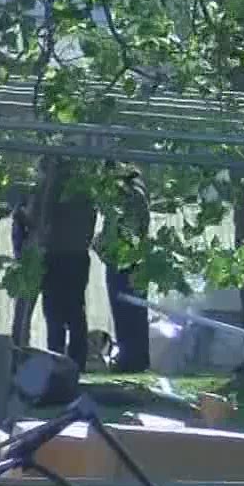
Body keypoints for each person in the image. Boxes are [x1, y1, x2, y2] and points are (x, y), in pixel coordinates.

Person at [35, 154, 98, 369]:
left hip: (55, 254)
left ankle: (55, 357)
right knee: (75, 310)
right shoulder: (85, 190)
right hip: (79, 255)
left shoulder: (49, 188)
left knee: (54, 312)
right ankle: (77, 360)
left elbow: (38, 217)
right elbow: (91, 218)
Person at [101, 164, 151, 372]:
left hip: (124, 260)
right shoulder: (139, 196)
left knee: (125, 311)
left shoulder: (129, 198)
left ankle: (130, 358)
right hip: (134, 259)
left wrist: (105, 246)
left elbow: (125, 232)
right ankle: (136, 357)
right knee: (135, 312)